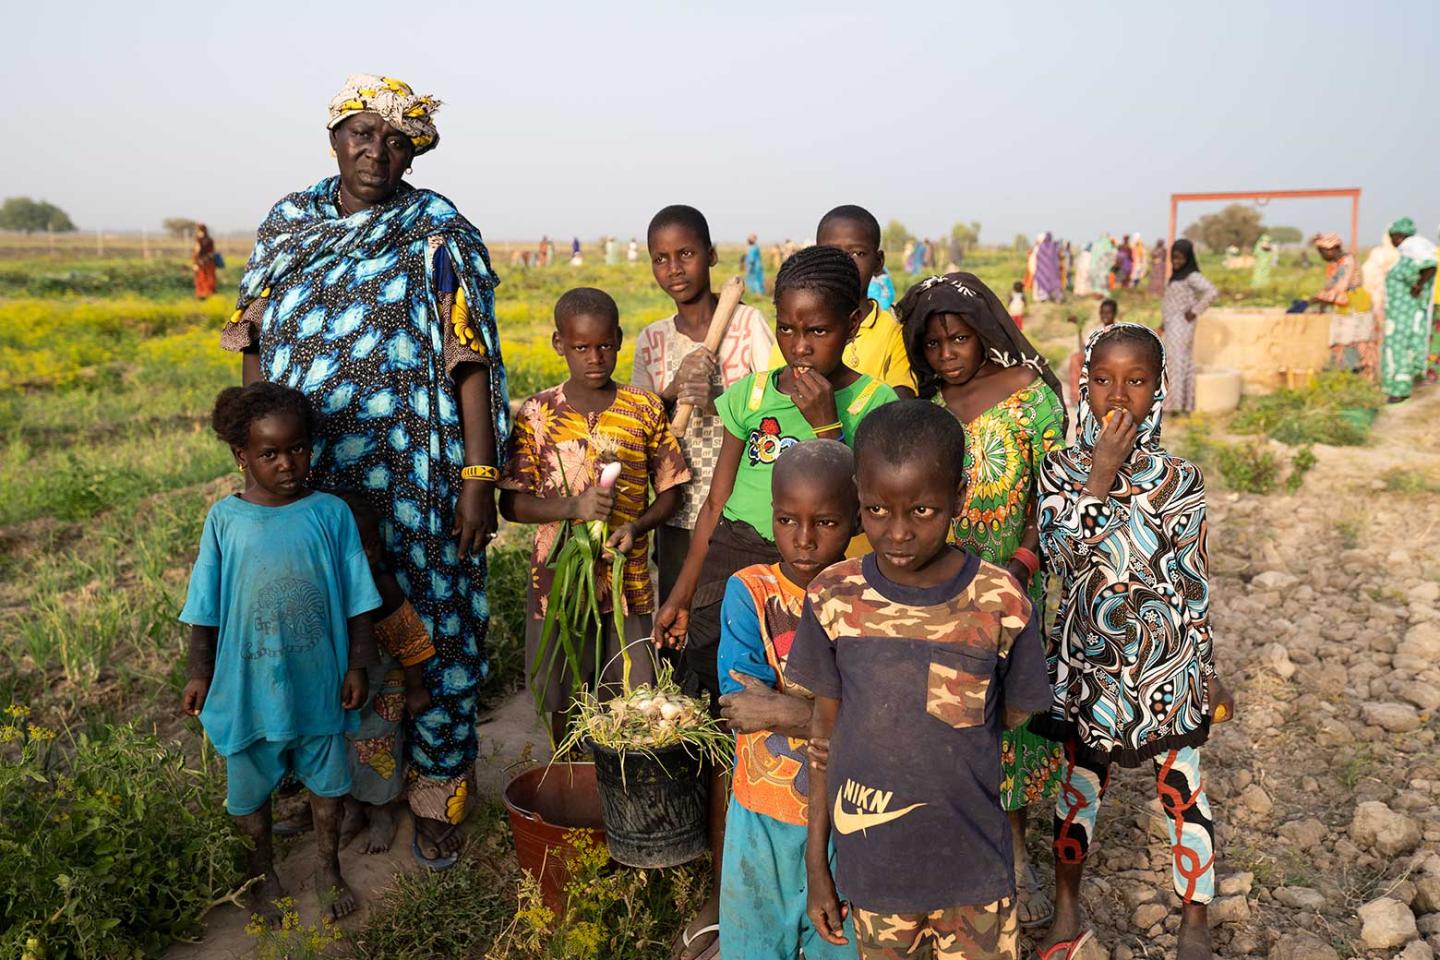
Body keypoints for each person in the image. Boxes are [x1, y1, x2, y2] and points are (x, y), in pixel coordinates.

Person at [222, 74, 509, 867]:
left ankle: (438, 794)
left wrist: (479, 477)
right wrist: (256, 463)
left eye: (395, 139)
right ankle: (336, 791)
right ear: (333, 139)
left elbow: (468, 355)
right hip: (308, 478)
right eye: (361, 133)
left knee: (433, 630)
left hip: (417, 475)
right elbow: (252, 341)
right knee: (322, 639)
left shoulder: (435, 229)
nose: (375, 151)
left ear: (413, 151)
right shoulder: (289, 226)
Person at [656, 245, 898, 960]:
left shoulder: (874, 407)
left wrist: (827, 425)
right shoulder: (753, 396)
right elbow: (714, 504)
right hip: (740, 564)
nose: (799, 346)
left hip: (833, 574)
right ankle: (731, 888)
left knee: (825, 721)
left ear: (854, 322)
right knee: (738, 724)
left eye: (816, 331)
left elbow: (872, 513)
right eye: (788, 331)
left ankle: (824, 882)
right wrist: (679, 592)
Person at [789, 399, 1052, 960]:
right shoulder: (834, 599)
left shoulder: (1000, 602)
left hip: (975, 874)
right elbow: (822, 743)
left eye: (924, 511)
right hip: (876, 875)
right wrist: (818, 866)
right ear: (859, 494)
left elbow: (1012, 715)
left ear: (959, 496)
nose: (900, 532)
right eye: (878, 510)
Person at [1034, 323, 1233, 960]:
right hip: (1089, 661)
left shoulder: (1181, 479)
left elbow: (1192, 582)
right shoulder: (1061, 471)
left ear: (1161, 389)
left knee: (1184, 788)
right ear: (1082, 386)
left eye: (1137, 381)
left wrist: (1206, 668)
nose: (1119, 397)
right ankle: (1067, 903)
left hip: (1166, 661)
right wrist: (1099, 476)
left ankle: (1194, 917)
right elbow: (1061, 556)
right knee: (1079, 786)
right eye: (1103, 381)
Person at [899, 273, 1070, 931]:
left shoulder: (1029, 400)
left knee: (1011, 720)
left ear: (985, 333)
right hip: (939, 594)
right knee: (947, 720)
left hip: (1013, 586)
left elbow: (1054, 498)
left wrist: (1023, 562)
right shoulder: (925, 410)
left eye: (959, 337)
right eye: (935, 342)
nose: (947, 353)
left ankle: (1015, 852)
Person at [180, 383, 381, 923]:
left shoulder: (330, 513)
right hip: (249, 683)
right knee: (250, 789)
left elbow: (360, 596)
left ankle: (327, 866)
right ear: (241, 456)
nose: (287, 463)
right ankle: (262, 872)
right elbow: (206, 603)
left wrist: (358, 663)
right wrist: (200, 669)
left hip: (319, 677)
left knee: (328, 784)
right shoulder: (226, 519)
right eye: (269, 454)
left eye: (297, 449)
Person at [499, 287, 688, 742]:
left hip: (628, 580)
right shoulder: (538, 413)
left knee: (629, 696)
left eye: (604, 345)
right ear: (559, 344)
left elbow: (672, 491)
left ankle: (617, 790)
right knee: (561, 688)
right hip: (558, 579)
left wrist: (636, 525)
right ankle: (568, 771)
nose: (594, 357)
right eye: (581, 347)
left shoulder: (642, 408)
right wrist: (573, 508)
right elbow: (511, 502)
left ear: (619, 339)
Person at [713, 440, 861, 960]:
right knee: (754, 939)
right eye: (786, 520)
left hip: (850, 814)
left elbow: (880, 718)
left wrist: (785, 710)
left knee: (838, 943)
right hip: (762, 809)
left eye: (825, 523)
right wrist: (835, 715)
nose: (803, 540)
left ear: (857, 518)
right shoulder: (749, 591)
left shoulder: (869, 596)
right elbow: (740, 704)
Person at [631, 204, 774, 602]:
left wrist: (716, 402)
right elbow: (638, 425)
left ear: (710, 256)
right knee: (680, 610)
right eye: (661, 259)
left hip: (742, 508)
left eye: (686, 254)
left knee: (734, 610)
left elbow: (775, 412)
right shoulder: (653, 340)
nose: (674, 268)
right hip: (677, 507)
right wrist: (673, 389)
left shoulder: (748, 325)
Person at [769, 205, 917, 397]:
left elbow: (900, 405)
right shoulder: (796, 331)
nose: (844, 262)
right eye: (830, 252)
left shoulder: (893, 333)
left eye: (858, 253)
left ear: (879, 261)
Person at [1380, 218, 1439, 403]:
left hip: (1404, 313)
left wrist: (1419, 285)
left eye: (1393, 238)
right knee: (1399, 348)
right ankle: (1403, 386)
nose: (1392, 242)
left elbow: (1429, 265)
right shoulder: (1409, 253)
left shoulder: (1413, 251)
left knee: (1399, 348)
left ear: (1399, 236)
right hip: (1399, 312)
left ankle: (1400, 389)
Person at [1159, 239, 1218, 414]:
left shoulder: (1192, 275)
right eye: (1174, 258)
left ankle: (1177, 406)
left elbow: (1212, 291)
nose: (1176, 262)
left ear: (1188, 258)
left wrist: (1195, 310)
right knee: (1173, 361)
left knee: (1179, 362)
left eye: (1180, 258)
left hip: (1183, 325)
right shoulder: (1177, 275)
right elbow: (1171, 302)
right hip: (1172, 325)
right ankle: (1176, 404)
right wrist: (1163, 324)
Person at [1310, 233, 1373, 373]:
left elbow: (1341, 286)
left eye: (1323, 252)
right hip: (1342, 304)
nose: (1323, 256)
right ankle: (1341, 371)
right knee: (1340, 338)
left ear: (1332, 250)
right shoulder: (1334, 264)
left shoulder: (1347, 261)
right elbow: (1329, 286)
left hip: (1355, 302)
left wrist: (1321, 299)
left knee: (1354, 339)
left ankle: (1357, 372)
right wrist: (1322, 305)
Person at [1034, 232, 1063, 302]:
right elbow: (1057, 258)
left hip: (1042, 270)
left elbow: (1038, 258)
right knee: (1054, 283)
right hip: (1052, 269)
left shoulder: (1042, 246)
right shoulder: (1053, 246)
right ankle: (1056, 298)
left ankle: (1044, 298)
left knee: (1043, 283)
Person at [192, 223, 218, 299]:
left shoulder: (199, 241)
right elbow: (212, 253)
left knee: (204, 279)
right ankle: (207, 295)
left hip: (202, 263)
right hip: (208, 263)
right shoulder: (209, 240)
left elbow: (196, 253)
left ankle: (203, 295)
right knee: (207, 279)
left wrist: (195, 263)